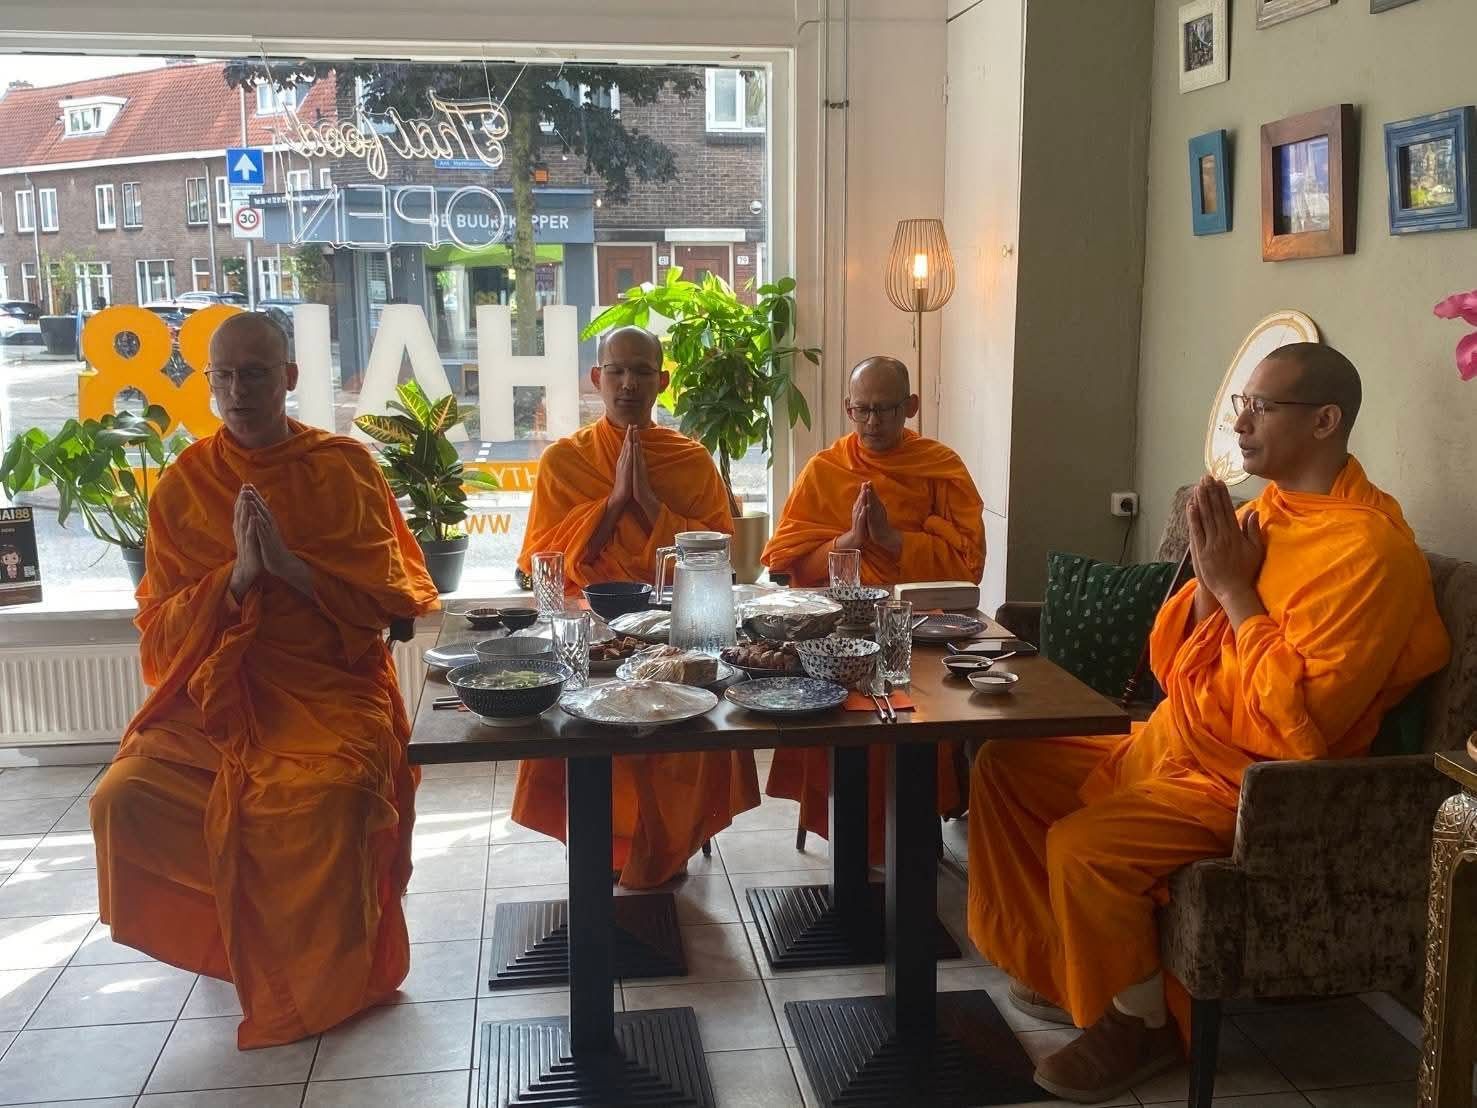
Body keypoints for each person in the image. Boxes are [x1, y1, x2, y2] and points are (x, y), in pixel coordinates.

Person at [967, 343, 1450, 1103]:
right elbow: (1169, 662)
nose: (1242, 423)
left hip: (1255, 784)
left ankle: (1142, 1027)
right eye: (1240, 405)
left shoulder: (1367, 555)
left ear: (1324, 421)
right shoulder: (1265, 515)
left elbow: (1294, 726)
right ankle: (1066, 970)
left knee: (1084, 846)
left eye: (1260, 407)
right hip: (1181, 740)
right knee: (1005, 762)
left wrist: (1231, 589)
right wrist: (1203, 582)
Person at [90, 312, 438, 1049]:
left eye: (255, 373)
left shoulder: (342, 467)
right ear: (207, 383)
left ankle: (327, 976)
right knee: (125, 796)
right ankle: (236, 941)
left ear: (289, 378)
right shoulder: (186, 485)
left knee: (333, 797)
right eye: (223, 375)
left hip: (328, 687)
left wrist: (292, 571)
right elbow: (159, 633)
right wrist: (236, 579)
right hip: (219, 690)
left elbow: (388, 603)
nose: (238, 390)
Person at [512, 325, 759, 887]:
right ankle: (606, 847)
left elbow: (718, 557)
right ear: (596, 379)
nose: (628, 384)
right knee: (584, 727)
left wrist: (647, 503)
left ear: (662, 381)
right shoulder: (564, 461)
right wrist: (611, 504)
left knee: (681, 729)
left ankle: (664, 847)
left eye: (642, 372)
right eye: (616, 371)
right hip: (590, 634)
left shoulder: (691, 461)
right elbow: (542, 564)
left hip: (673, 631)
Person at [762, 355, 986, 860]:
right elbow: (786, 562)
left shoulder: (939, 468)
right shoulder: (826, 469)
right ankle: (853, 838)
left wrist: (893, 539)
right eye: (861, 410)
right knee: (837, 719)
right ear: (847, 407)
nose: (873, 422)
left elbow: (966, 567)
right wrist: (851, 540)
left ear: (909, 407)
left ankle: (908, 838)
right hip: (836, 633)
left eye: (885, 409)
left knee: (915, 720)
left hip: (921, 632)